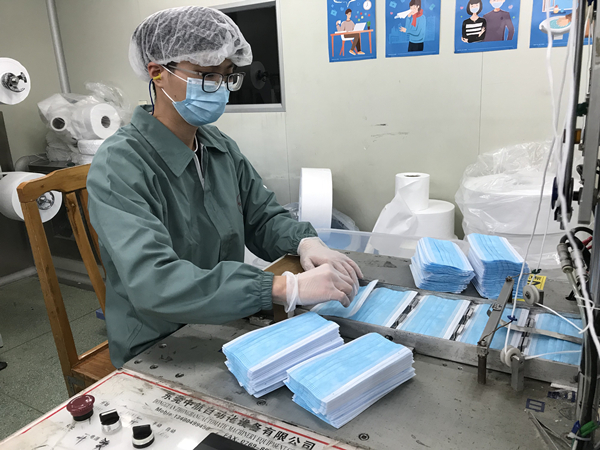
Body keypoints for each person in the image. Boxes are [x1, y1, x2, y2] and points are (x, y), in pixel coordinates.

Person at [87, 6, 363, 368]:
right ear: (158, 73)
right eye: (206, 75)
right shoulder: (120, 165)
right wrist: (282, 287)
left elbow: (262, 217)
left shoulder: (217, 146)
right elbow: (155, 282)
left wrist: (304, 241)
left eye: (227, 76)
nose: (219, 88)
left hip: (228, 320)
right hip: (158, 342)